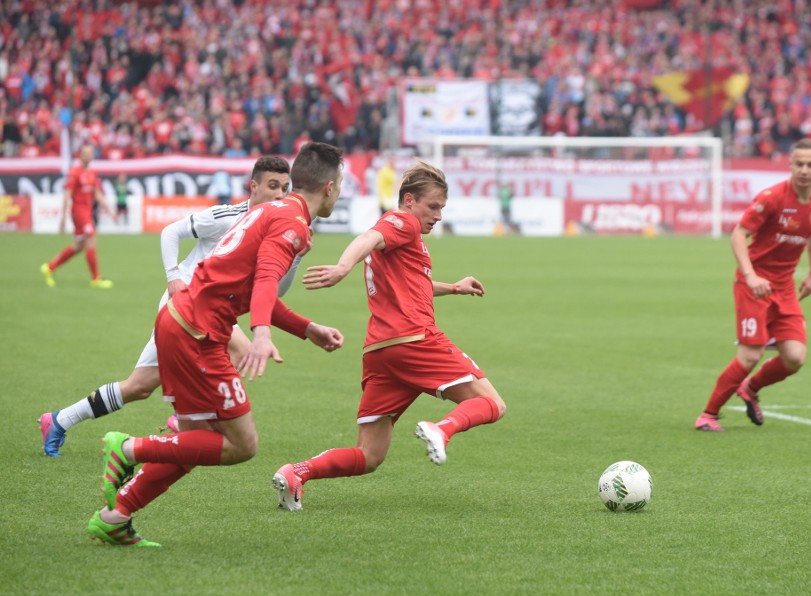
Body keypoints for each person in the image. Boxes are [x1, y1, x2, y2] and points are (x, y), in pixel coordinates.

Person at [87, 142, 346, 547]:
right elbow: (264, 282)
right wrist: (260, 333)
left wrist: (306, 328)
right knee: (242, 444)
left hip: (179, 319)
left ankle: (114, 517)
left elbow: (248, 286)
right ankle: (129, 447)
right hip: (199, 334)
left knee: (192, 442)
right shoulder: (292, 223)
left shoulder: (267, 211)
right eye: (342, 184)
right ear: (330, 187)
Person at [272, 161, 506, 512]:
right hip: (414, 340)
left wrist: (454, 287)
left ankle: (296, 473)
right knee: (492, 404)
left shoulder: (409, 240)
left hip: (382, 353)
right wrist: (342, 266)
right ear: (409, 201)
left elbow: (414, 283)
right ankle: (441, 430)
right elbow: (370, 237)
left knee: (368, 456)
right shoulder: (403, 222)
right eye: (434, 206)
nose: (438, 216)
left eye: (442, 208)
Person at [39, 156, 294, 457]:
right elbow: (170, 232)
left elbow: (274, 290)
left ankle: (58, 420)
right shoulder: (228, 216)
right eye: (272, 186)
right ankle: (185, 416)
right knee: (240, 350)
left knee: (139, 386)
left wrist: (298, 257)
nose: (279, 195)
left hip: (212, 310)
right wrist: (174, 277)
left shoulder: (274, 227)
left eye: (285, 188)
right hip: (188, 302)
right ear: (253, 187)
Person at [695, 138, 811, 432]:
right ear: (790, 165)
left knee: (795, 358)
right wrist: (751, 274)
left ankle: (751, 388)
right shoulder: (771, 197)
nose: (804, 170)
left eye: (810, 164)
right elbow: (737, 234)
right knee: (750, 355)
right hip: (752, 283)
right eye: (799, 164)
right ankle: (708, 415)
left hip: (783, 288)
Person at [40, 144, 116, 288]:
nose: (89, 155)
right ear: (80, 156)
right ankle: (95, 279)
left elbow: (97, 194)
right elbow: (66, 195)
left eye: (91, 153)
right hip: (79, 212)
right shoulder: (75, 172)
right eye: (86, 153)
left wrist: (109, 210)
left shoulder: (92, 173)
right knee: (91, 239)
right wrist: (62, 218)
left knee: (79, 246)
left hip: (86, 212)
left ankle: (49, 267)